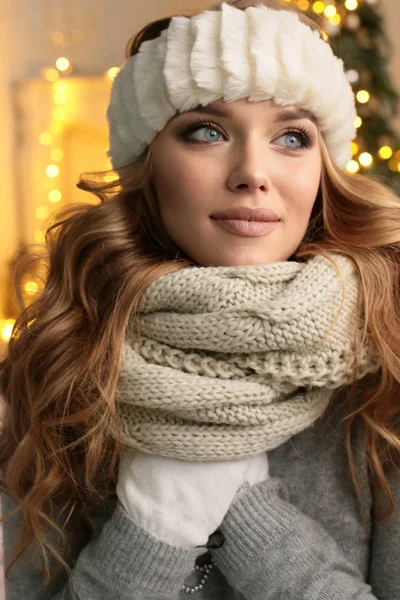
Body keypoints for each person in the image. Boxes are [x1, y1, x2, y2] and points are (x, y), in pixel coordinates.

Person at [1, 0, 400, 598]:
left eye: (291, 137)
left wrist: (242, 508)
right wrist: (155, 520)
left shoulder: (387, 366)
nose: (252, 173)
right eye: (207, 131)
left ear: (322, 172)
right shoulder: (59, 365)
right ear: (149, 164)